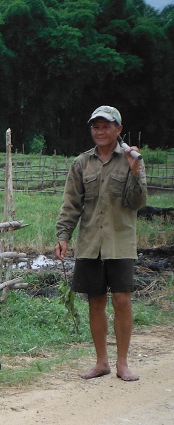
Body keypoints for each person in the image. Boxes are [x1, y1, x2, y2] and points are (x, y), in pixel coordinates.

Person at [55, 105, 147, 382]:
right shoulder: (82, 163)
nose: (100, 131)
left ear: (118, 129)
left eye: (106, 126)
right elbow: (71, 204)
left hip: (120, 242)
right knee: (95, 301)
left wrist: (134, 171)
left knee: (121, 300)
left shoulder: (132, 159)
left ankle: (122, 363)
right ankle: (101, 362)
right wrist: (63, 236)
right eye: (96, 126)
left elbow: (138, 202)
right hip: (90, 243)